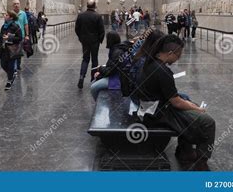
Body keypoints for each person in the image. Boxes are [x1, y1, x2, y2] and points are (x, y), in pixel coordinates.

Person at [133, 35, 216, 171]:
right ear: (170, 53)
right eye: (178, 55)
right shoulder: (163, 71)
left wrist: (190, 105)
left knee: (189, 105)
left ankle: (185, 151)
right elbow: (176, 102)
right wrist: (197, 109)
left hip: (149, 108)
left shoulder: (150, 62)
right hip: (157, 115)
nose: (179, 59)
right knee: (207, 121)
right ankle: (201, 161)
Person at [90, 31, 131, 100]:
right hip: (118, 75)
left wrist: (100, 69)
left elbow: (110, 71)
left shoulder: (116, 52)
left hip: (118, 79)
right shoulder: (117, 49)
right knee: (96, 80)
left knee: (93, 87)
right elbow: (112, 67)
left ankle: (99, 107)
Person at [75, 0, 105, 89]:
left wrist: (81, 38)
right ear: (95, 6)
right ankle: (93, 78)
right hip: (94, 41)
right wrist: (100, 40)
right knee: (94, 60)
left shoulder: (81, 16)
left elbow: (77, 29)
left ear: (87, 5)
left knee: (85, 59)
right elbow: (101, 31)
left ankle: (81, 76)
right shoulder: (98, 16)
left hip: (85, 41)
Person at [0, 11, 23, 90]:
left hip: (12, 49)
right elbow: (1, 36)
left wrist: (9, 38)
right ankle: (11, 75)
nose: (4, 16)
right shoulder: (3, 26)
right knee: (3, 64)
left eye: (6, 15)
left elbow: (20, 38)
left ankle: (9, 80)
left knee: (11, 65)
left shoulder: (15, 26)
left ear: (11, 17)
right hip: (4, 48)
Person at [12, 0, 29, 70]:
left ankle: (18, 65)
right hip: (12, 35)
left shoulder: (23, 13)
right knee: (12, 51)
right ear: (13, 5)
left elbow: (26, 24)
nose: (16, 5)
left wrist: (27, 35)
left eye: (17, 3)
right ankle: (12, 65)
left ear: (20, 5)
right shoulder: (11, 13)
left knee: (19, 51)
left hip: (21, 35)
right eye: (15, 4)